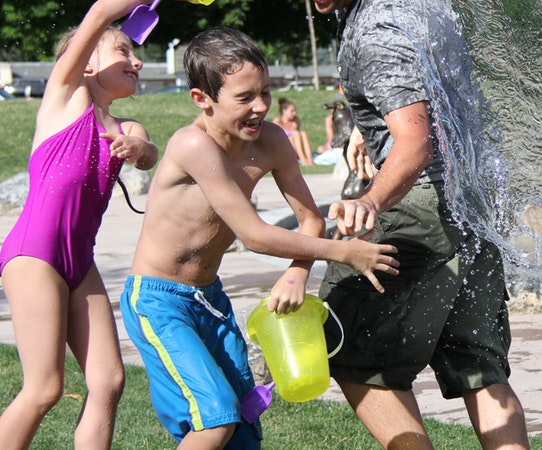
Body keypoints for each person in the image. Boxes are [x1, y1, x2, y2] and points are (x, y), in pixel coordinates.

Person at [119, 27, 399, 450]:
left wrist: (298, 272)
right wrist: (343, 252)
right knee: (215, 417)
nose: (260, 107)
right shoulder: (193, 144)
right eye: (245, 97)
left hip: (208, 298)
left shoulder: (271, 141)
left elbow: (309, 219)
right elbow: (253, 234)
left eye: (265, 92)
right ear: (202, 99)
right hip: (159, 300)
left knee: (244, 423)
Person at [309, 1, 530, 449]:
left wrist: (370, 199)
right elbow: (433, 95)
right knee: (479, 367)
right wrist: (366, 122)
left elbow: (414, 143)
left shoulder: (375, 32)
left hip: (422, 206)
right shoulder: (419, 7)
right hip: (472, 202)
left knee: (346, 343)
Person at [0, 0, 158, 448]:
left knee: (108, 381)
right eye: (123, 51)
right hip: (35, 255)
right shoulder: (65, 99)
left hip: (78, 262)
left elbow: (148, 153)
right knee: (45, 388)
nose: (137, 60)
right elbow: (98, 16)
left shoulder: (128, 124)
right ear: (88, 63)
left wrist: (136, 148)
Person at [273, 97, 314, 166]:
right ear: (284, 111)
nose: (294, 113)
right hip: (283, 148)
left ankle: (310, 160)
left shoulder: (295, 121)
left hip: (295, 149)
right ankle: (303, 160)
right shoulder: (277, 121)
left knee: (303, 133)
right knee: (296, 133)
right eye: (292, 111)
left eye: (295, 111)